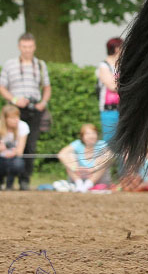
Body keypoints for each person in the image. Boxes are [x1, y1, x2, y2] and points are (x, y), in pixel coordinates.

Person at [0, 33, 51, 190]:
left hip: (34, 109)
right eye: (24, 47)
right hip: (14, 111)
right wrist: (15, 100)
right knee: (7, 141)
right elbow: (2, 86)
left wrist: (43, 102)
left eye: (30, 47)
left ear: (34, 47)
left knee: (30, 145)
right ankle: (4, 179)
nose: (27, 50)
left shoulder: (41, 65)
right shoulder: (10, 65)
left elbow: (47, 87)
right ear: (19, 47)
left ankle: (25, 179)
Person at [56, 123, 111, 192]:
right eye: (88, 134)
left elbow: (109, 156)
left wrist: (93, 169)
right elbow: (61, 154)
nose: (91, 136)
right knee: (69, 156)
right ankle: (79, 184)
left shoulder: (102, 144)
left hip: (98, 178)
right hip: (80, 175)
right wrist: (75, 169)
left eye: (93, 133)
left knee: (104, 158)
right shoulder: (77, 144)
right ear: (82, 136)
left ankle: (87, 185)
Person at [96, 37, 123, 144]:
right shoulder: (104, 66)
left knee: (125, 144)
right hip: (110, 109)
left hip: (124, 108)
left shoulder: (122, 65)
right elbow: (112, 86)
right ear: (116, 48)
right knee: (111, 144)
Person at [0, 105, 28, 190]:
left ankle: (10, 184)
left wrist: (13, 152)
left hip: (14, 158)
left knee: (18, 164)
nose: (16, 120)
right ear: (5, 119)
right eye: (12, 118)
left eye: (17, 117)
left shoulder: (22, 126)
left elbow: (20, 151)